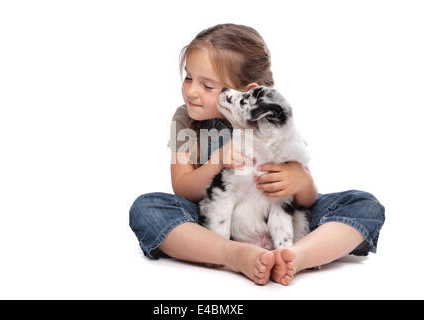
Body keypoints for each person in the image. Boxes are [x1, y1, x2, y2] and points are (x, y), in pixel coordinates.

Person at [129, 23, 385, 286]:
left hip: (283, 219)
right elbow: (183, 188)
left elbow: (305, 200)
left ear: (248, 91)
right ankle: (232, 254)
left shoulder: (270, 119)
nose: (192, 91)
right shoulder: (184, 120)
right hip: (215, 222)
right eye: (188, 77)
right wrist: (218, 160)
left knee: (363, 205)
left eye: (207, 85)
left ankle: (295, 256)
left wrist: (302, 182)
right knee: (148, 208)